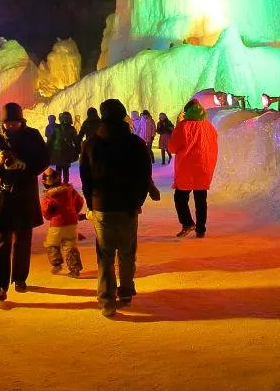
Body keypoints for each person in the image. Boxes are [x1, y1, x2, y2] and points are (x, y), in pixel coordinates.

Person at [80, 99, 159, 317]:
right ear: (123, 115)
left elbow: (86, 179)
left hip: (102, 206)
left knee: (105, 254)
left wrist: (91, 204)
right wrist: (137, 201)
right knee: (126, 251)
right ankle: (125, 291)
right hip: (127, 207)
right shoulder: (135, 143)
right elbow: (144, 175)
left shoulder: (91, 144)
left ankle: (106, 299)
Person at [0, 102, 50, 302]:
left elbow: (44, 158)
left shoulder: (33, 136)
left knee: (23, 240)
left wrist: (25, 165)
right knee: (2, 240)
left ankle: (19, 278)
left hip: (25, 195)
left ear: (21, 121)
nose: (12, 126)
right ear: (3, 122)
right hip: (1, 196)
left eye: (15, 123)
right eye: (8, 123)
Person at [169, 98, 219, 238]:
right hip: (204, 166)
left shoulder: (184, 126)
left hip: (187, 167)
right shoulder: (209, 126)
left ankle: (187, 223)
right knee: (201, 199)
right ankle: (201, 230)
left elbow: (172, 147)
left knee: (180, 198)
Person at [40, 167, 84, 277]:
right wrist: (74, 212)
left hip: (57, 224)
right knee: (70, 245)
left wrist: (50, 217)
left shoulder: (48, 196)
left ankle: (56, 264)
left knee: (52, 244)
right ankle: (75, 269)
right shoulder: (70, 190)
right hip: (72, 222)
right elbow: (80, 201)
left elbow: (45, 211)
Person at [49, 111, 79, 184]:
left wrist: (49, 150)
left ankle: (58, 184)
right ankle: (65, 185)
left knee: (58, 168)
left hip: (57, 152)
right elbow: (76, 141)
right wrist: (78, 150)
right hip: (66, 152)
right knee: (66, 169)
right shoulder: (71, 129)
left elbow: (51, 140)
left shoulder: (56, 128)